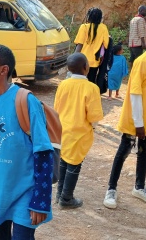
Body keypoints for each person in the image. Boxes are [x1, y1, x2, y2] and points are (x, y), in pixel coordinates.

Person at [0, 44, 54, 239]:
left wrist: (40, 200)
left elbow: (43, 151)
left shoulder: (25, 100)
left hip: (25, 193)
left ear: (3, 70)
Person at [103, 24, 146, 209]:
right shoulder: (142, 62)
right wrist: (139, 123)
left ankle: (139, 187)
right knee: (124, 150)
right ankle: (111, 189)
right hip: (136, 120)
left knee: (145, 152)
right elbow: (135, 94)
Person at [54, 52, 103, 209]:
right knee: (74, 164)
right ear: (86, 67)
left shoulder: (63, 84)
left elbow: (56, 108)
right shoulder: (91, 88)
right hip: (79, 133)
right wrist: (93, 127)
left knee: (63, 161)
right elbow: (93, 116)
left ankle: (59, 194)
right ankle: (66, 198)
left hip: (62, 130)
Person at [74, 7, 110, 84]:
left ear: (89, 16)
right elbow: (106, 45)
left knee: (80, 81)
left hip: (82, 60)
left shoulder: (84, 27)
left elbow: (79, 45)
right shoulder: (103, 28)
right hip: (95, 61)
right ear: (100, 18)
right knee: (91, 81)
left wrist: (73, 59)